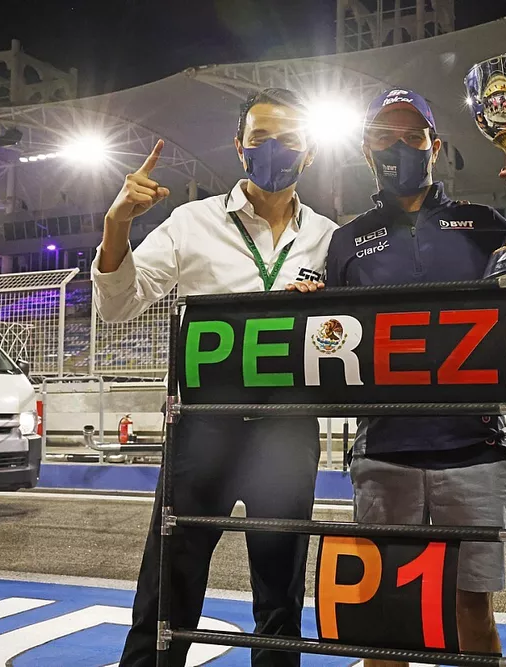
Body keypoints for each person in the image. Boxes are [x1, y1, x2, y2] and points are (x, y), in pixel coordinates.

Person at [288, 87, 506, 666]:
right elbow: (332, 342)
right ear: (365, 149)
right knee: (386, 621)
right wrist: (308, 306)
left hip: (474, 450)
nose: (399, 146)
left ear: (437, 146)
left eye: (413, 135)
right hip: (385, 452)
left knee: (470, 610)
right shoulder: (346, 240)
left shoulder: (485, 224)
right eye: (385, 136)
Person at [92, 87, 337, 667]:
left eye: (289, 141)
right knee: (168, 588)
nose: (275, 150)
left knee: (280, 596)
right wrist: (115, 221)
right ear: (239, 147)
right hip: (204, 426)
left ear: (309, 154)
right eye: (261, 140)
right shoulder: (191, 221)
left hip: (287, 425)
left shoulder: (330, 236)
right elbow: (118, 305)